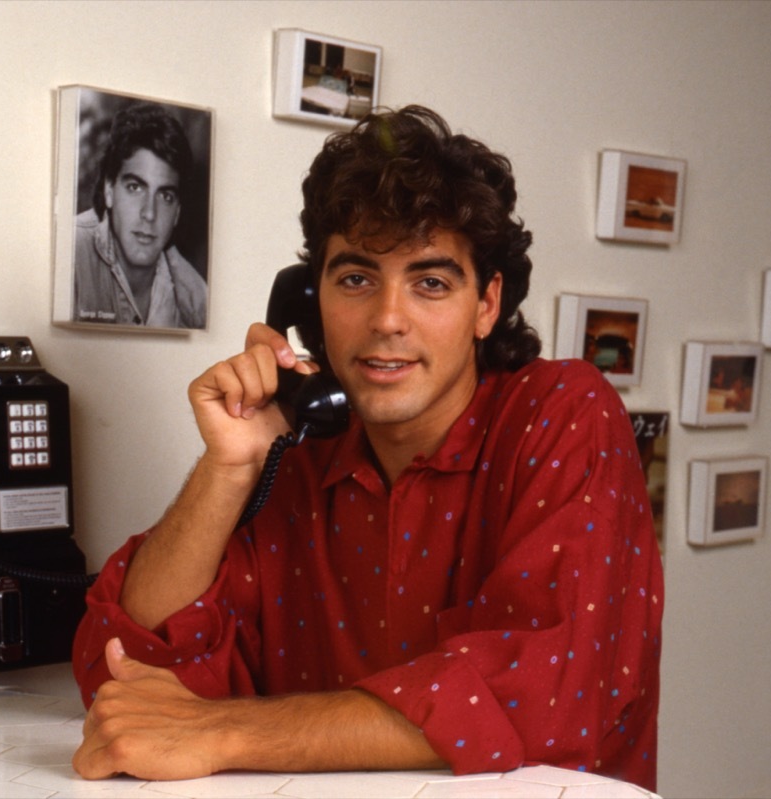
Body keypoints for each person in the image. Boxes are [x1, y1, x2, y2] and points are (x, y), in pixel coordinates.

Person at [70, 106, 664, 790]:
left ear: (487, 303)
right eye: (356, 278)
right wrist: (228, 466)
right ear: (309, 300)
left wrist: (221, 730)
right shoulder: (293, 465)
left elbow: (534, 694)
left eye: (431, 283)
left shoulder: (564, 415)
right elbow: (120, 666)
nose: (387, 319)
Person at [72, 101, 207, 329]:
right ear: (109, 191)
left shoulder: (196, 299)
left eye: (165, 197)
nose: (149, 214)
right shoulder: (70, 254)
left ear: (177, 213)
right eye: (135, 188)